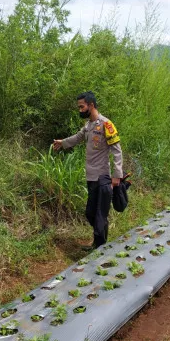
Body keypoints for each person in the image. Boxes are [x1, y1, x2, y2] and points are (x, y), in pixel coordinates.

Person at [53, 91, 123, 251]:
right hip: (91, 177)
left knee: (99, 214)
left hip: (103, 178)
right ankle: (100, 241)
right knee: (91, 213)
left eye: (81, 107)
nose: (80, 110)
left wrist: (117, 175)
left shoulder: (106, 124)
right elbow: (77, 138)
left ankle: (99, 246)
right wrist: (62, 142)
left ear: (91, 105)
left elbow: (117, 151)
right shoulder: (88, 126)